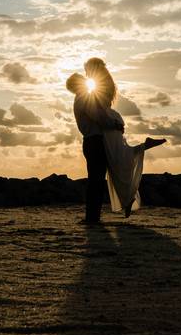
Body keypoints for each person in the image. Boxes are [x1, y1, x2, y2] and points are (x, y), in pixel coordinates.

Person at [67, 58, 166, 221]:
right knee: (115, 166)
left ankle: (93, 217)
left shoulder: (83, 97)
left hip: (95, 139)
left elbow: (98, 116)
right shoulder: (85, 96)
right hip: (98, 138)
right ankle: (119, 202)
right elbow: (98, 114)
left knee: (99, 178)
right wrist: (113, 123)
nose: (86, 78)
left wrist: (113, 124)